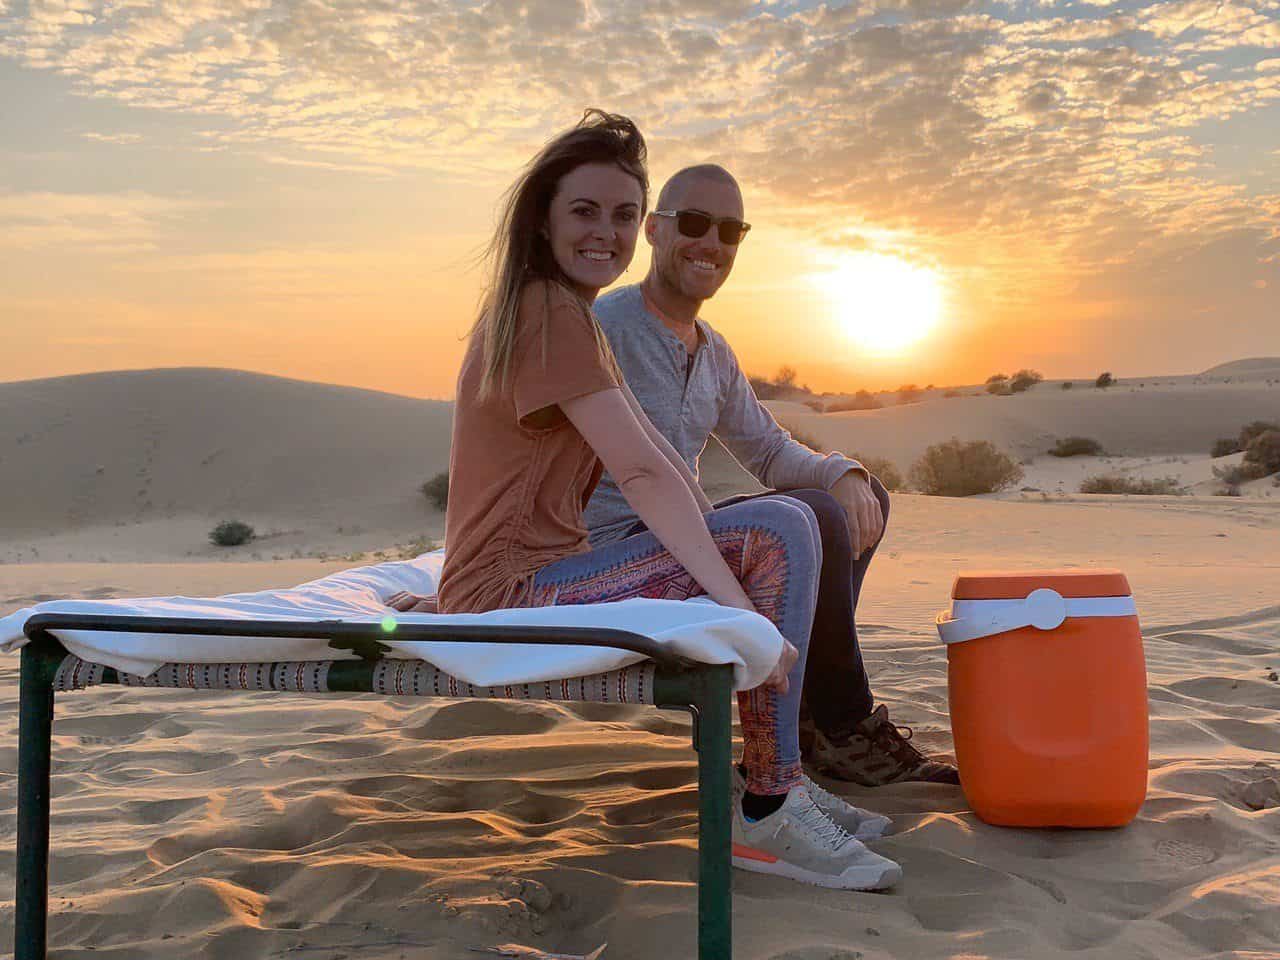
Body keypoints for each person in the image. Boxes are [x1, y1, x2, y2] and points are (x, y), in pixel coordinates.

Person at [393, 111, 901, 890]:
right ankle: (768, 802)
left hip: (522, 578)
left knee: (786, 519)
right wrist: (741, 613)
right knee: (778, 528)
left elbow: (670, 458)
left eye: (621, 215)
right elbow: (643, 475)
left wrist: (830, 477)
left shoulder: (558, 308)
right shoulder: (561, 316)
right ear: (544, 217)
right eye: (585, 211)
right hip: (518, 592)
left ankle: (784, 777)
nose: (607, 233)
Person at [583, 163, 959, 786]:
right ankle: (841, 723)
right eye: (696, 224)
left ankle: (816, 716)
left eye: (730, 230)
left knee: (855, 498)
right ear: (653, 230)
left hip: (686, 541)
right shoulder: (609, 329)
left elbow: (767, 449)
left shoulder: (714, 352)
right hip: (615, 552)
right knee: (807, 517)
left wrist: (845, 471)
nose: (712, 244)